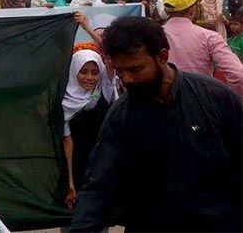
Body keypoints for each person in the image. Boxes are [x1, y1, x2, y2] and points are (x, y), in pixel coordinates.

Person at [69, 16, 243, 233]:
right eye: (120, 71)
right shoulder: (121, 117)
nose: (127, 79)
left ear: (162, 57)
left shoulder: (214, 98)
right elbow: (99, 188)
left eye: (135, 69)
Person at [161, 0, 243, 95]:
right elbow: (238, 76)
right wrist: (229, 101)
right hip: (201, 103)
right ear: (192, 9)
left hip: (162, 104)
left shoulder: (153, 37)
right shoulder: (209, 37)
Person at [62, 48, 118, 209]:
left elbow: (110, 58)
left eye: (94, 73)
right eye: (83, 72)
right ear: (73, 72)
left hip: (103, 166)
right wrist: (70, 182)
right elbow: (67, 142)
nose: (89, 78)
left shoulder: (104, 92)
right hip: (76, 166)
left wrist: (87, 26)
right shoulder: (65, 103)